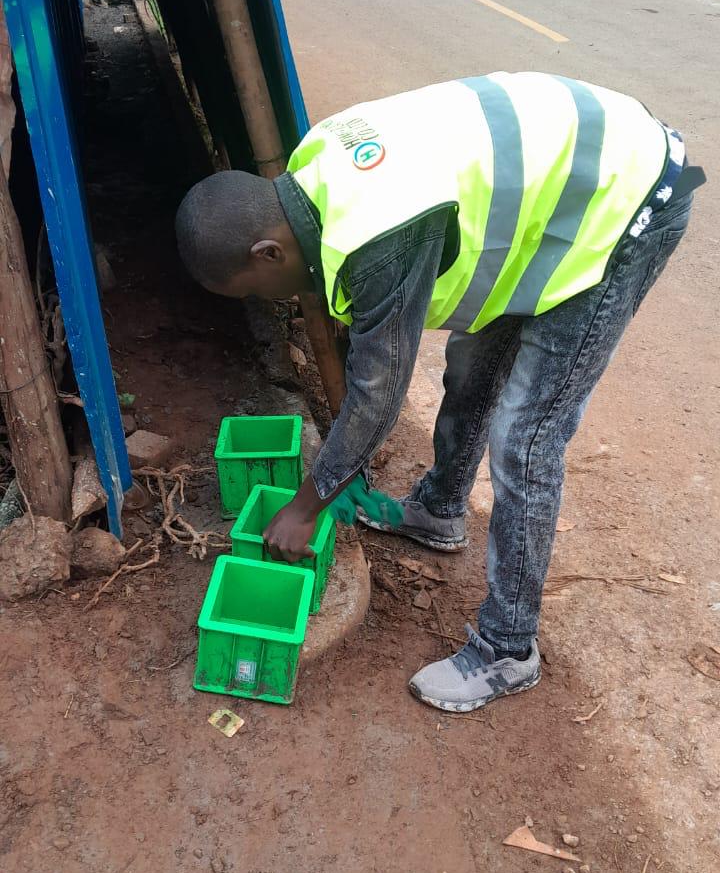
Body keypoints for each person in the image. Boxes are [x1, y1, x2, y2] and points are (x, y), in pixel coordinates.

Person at [175, 74, 703, 713]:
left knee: (526, 437)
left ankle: (509, 648)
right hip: (558, 191)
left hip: (625, 200)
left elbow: (377, 394)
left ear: (267, 250)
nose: (276, 299)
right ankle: (440, 510)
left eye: (260, 289)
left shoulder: (376, 236)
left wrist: (307, 505)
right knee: (471, 358)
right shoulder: (310, 172)